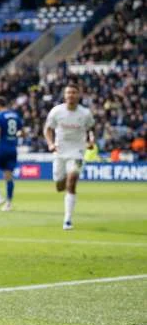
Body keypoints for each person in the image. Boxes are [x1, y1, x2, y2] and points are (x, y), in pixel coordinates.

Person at [44, 83, 96, 230]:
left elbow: (91, 128)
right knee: (60, 186)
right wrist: (50, 144)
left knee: (72, 182)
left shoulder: (85, 113)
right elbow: (47, 129)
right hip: (60, 152)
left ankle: (67, 219)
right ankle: (64, 179)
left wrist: (91, 140)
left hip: (77, 152)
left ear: (78, 95)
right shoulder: (56, 111)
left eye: (74, 92)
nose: (71, 95)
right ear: (65, 95)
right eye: (68, 93)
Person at [0, 97, 22, 211]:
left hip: (1, 148)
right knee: (8, 176)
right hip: (12, 149)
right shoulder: (16, 116)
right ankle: (8, 204)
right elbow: (22, 132)